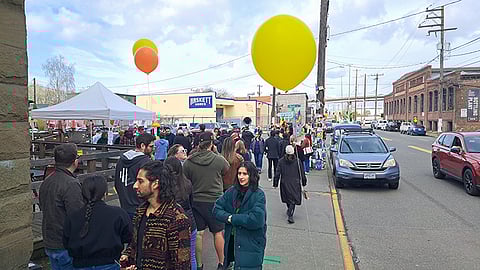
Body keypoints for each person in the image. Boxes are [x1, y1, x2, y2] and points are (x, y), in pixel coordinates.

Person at [120, 161, 191, 270]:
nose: (135, 186)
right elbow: (135, 243)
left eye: (140, 181)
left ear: (155, 184)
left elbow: (182, 264)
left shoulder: (176, 218)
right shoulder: (140, 211)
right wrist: (127, 256)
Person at [63, 175, 132, 270]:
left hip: (80, 264)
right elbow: (128, 237)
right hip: (109, 263)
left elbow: (66, 242)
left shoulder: (73, 217)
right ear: (105, 193)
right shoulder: (118, 214)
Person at [183, 132, 230, 270]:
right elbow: (226, 169)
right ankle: (221, 263)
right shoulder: (218, 160)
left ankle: (199, 264)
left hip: (197, 200)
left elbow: (186, 178)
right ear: (211, 144)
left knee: (198, 233)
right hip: (215, 200)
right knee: (218, 232)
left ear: (198, 144)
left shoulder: (189, 161)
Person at [213, 161, 267, 270]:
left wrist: (233, 218)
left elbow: (257, 220)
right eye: (239, 173)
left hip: (250, 243)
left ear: (251, 175)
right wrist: (228, 217)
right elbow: (216, 209)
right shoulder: (231, 191)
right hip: (232, 242)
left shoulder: (258, 195)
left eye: (245, 174)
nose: (241, 177)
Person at [39, 143, 84, 269]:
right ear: (74, 161)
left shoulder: (47, 181)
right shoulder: (71, 184)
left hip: (50, 240)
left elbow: (42, 205)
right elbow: (77, 216)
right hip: (65, 243)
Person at [164, 157, 198, 270]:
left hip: (171, 226)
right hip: (189, 222)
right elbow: (192, 203)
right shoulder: (187, 183)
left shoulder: (165, 187)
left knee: (171, 258)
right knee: (191, 256)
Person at [114, 133, 155, 219]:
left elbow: (117, 183)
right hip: (140, 207)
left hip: (124, 204)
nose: (153, 149)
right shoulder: (145, 162)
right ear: (143, 145)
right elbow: (149, 186)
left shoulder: (121, 160)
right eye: (151, 146)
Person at [273, 145, 307, 224]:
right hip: (295, 183)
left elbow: (277, 173)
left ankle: (290, 212)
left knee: (288, 198)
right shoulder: (298, 161)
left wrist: (275, 183)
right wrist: (304, 182)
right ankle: (290, 212)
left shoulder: (281, 161)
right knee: (293, 199)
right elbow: (302, 173)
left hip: (284, 182)